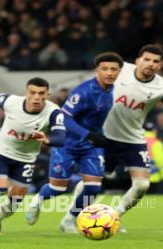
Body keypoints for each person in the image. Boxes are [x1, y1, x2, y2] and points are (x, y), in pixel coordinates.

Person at [64, 45, 163, 232]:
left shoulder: (162, 86)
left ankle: (114, 217)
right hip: (104, 136)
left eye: (156, 61)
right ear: (138, 61)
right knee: (93, 181)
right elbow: (94, 86)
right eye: (147, 59)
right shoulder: (120, 70)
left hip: (133, 138)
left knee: (142, 184)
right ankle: (71, 217)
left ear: (160, 66)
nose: (150, 64)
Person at [26, 52, 124, 232]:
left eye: (113, 69)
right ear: (97, 70)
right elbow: (65, 117)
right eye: (105, 69)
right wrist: (87, 134)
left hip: (91, 146)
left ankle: (69, 219)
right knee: (57, 189)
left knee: (93, 188)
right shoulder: (84, 91)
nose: (109, 73)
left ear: (119, 72)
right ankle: (37, 201)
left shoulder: (112, 90)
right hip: (67, 144)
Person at [0, 77, 66, 234]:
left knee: (15, 202)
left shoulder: (54, 112)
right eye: (32, 92)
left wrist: (48, 139)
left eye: (41, 93)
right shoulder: (12, 102)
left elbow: (61, 138)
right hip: (0, 150)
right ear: (26, 93)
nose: (37, 97)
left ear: (47, 94)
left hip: (26, 158)